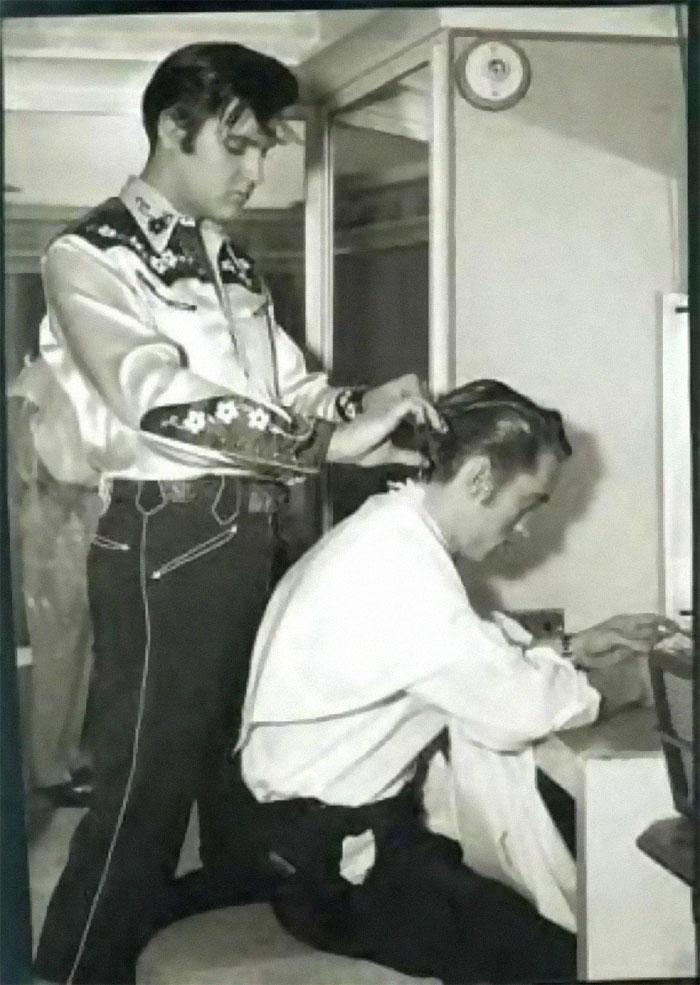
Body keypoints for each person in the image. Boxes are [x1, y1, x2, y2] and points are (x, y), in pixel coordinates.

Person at [33, 41, 440, 985]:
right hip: (163, 538)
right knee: (143, 796)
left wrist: (363, 410)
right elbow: (160, 401)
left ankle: (199, 958)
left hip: (249, 529)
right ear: (176, 128)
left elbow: (292, 389)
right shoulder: (88, 256)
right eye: (241, 147)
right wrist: (323, 444)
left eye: (265, 151)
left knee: (237, 777)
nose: (258, 173)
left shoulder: (231, 263)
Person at [235, 379, 674, 985]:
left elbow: (461, 651)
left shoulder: (389, 529)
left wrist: (572, 647)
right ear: (477, 480)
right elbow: (517, 704)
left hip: (334, 836)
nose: (522, 530)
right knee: (563, 960)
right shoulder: (400, 566)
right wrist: (640, 686)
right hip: (331, 866)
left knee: (545, 918)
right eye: (527, 504)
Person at [10, 358, 100, 807]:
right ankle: (47, 770)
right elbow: (17, 437)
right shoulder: (43, 372)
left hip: (86, 507)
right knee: (57, 645)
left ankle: (66, 756)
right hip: (54, 513)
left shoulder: (90, 365)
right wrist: (40, 485)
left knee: (81, 644)